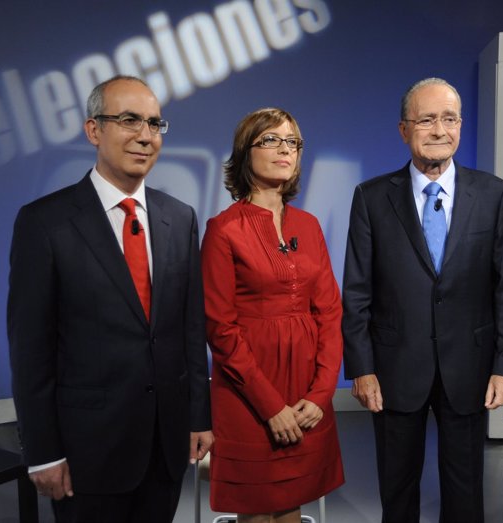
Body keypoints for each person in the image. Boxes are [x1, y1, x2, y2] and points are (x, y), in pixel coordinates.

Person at [7, 75, 213, 523]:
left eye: (155, 124)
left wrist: (198, 416)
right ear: (93, 130)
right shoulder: (44, 223)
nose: (145, 135)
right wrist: (43, 452)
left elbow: (190, 330)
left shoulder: (180, 219)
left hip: (166, 448)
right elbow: (31, 351)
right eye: (129, 120)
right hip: (87, 456)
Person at [341, 78, 503, 523]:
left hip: (470, 366)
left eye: (449, 119)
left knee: (465, 496)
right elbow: (357, 291)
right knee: (397, 492)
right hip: (394, 366)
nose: (440, 130)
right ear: (404, 130)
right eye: (427, 119)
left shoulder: (493, 194)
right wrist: (362, 369)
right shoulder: (371, 197)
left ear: (460, 125)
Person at [201, 108, 345, 523]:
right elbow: (220, 329)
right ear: (245, 152)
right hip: (249, 395)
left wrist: (320, 395)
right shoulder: (223, 230)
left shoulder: (310, 225)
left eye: (293, 142)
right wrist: (270, 408)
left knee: (291, 507)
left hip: (306, 393)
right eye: (271, 140)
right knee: (259, 512)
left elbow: (329, 313)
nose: (285, 149)